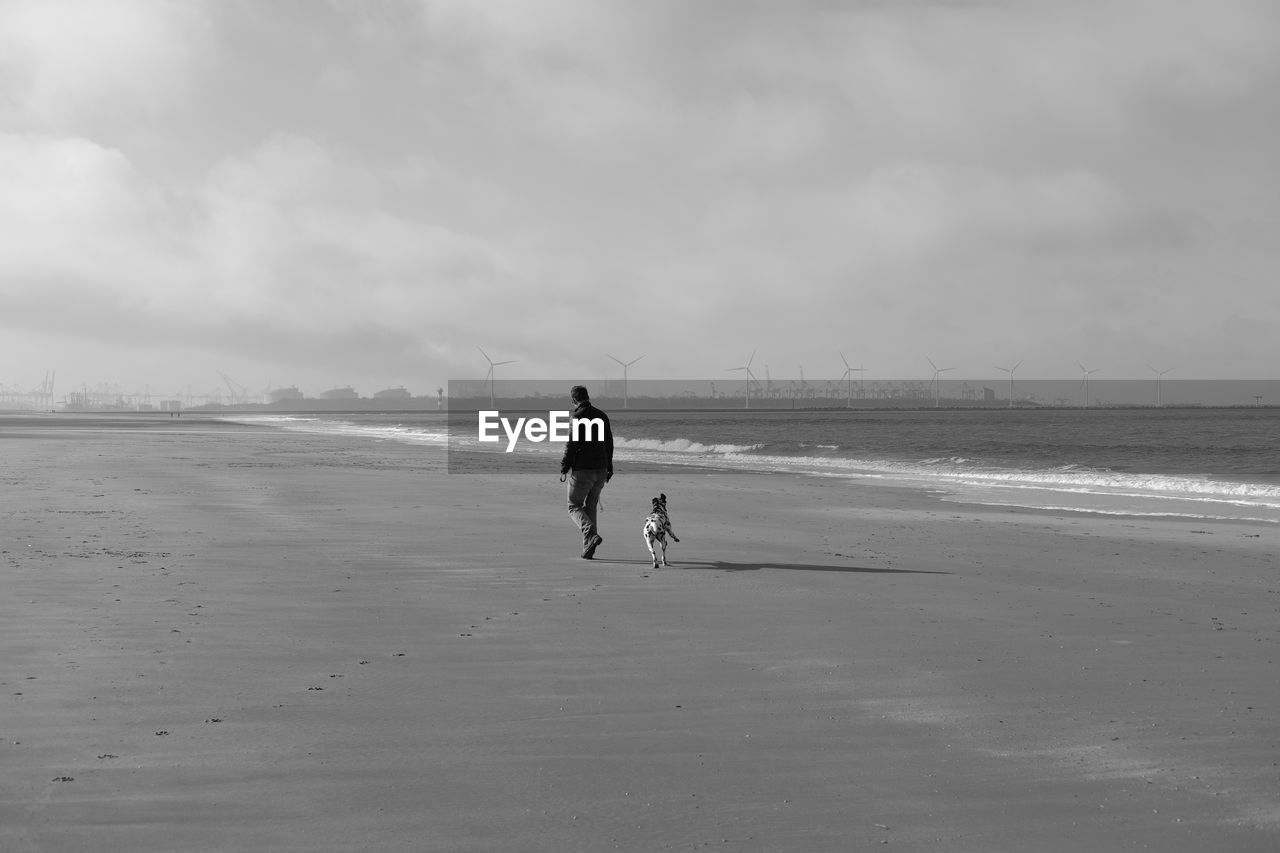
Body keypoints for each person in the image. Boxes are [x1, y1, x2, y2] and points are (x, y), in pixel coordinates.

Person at [560, 385, 613, 559]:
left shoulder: (577, 416)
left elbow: (572, 443)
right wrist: (609, 467)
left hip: (584, 469)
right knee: (590, 507)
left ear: (574, 400)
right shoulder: (602, 415)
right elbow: (609, 443)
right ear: (587, 396)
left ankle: (590, 533)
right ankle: (588, 549)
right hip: (601, 469)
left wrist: (565, 465)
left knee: (573, 505)